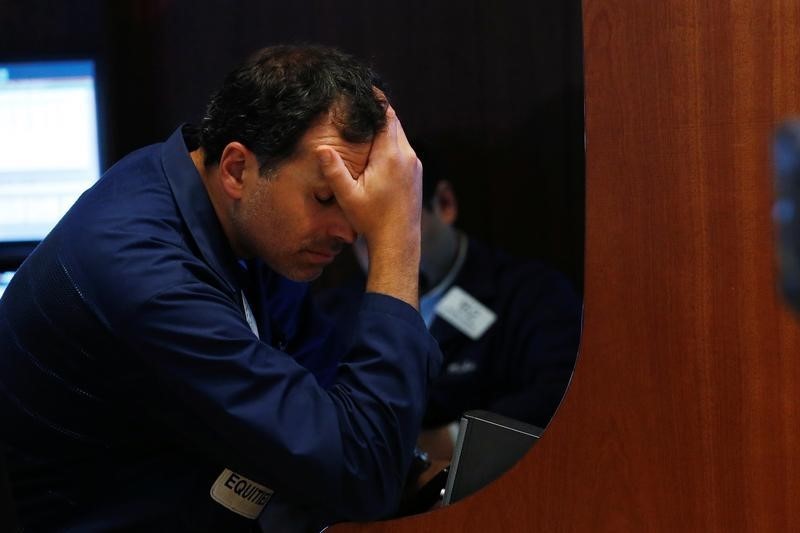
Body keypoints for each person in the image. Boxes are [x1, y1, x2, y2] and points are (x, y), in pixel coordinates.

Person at [0, 45, 442, 532]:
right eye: (325, 197)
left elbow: (332, 394)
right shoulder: (142, 273)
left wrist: (417, 469)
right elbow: (361, 476)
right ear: (237, 169)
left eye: (360, 200)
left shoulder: (243, 218)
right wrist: (398, 241)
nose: (350, 230)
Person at [316, 141, 581, 461]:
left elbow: (559, 397)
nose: (375, 246)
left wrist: (450, 440)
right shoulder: (329, 313)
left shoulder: (532, 295)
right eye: (359, 227)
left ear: (444, 203)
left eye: (392, 223)